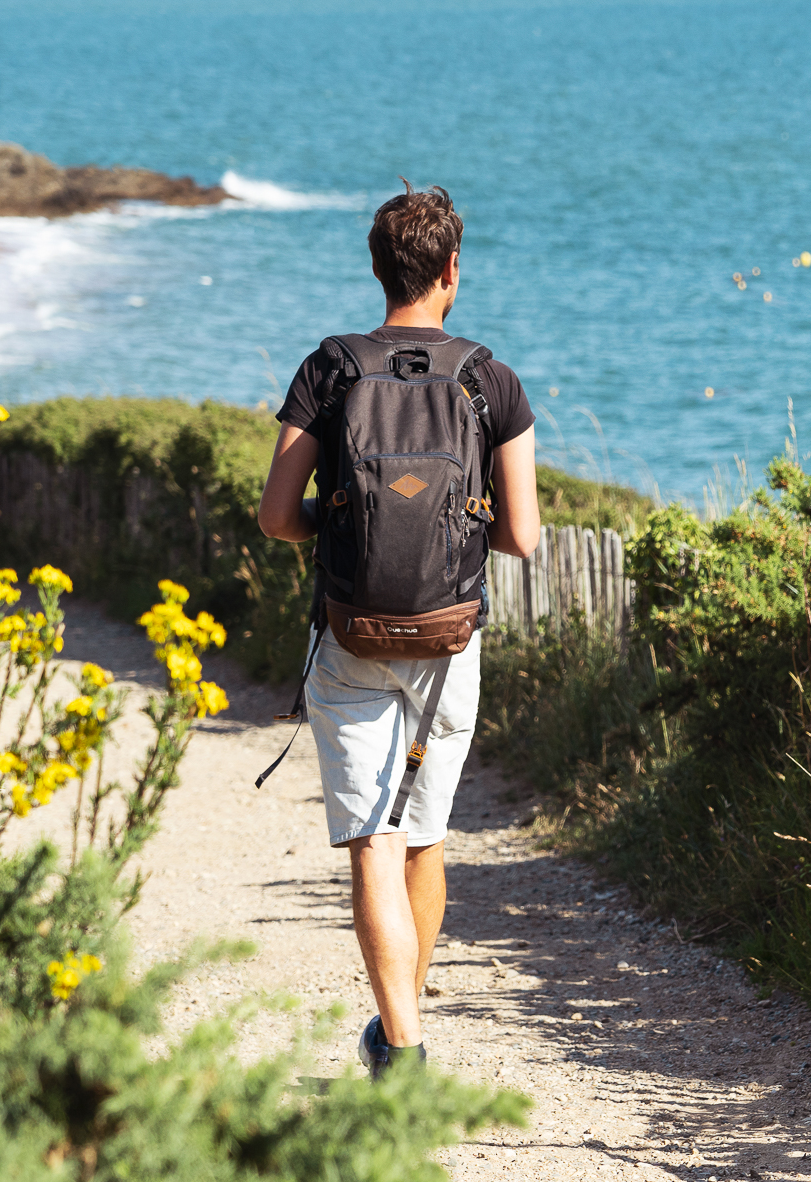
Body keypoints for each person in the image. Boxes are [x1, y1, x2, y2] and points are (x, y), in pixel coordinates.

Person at [257, 182, 539, 1076]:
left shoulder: (331, 367)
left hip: (350, 637)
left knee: (370, 840)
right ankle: (402, 1032)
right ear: (453, 270)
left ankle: (401, 1046)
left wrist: (327, 534)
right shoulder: (491, 378)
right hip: (451, 640)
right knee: (422, 838)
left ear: (378, 270)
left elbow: (274, 513)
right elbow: (522, 536)